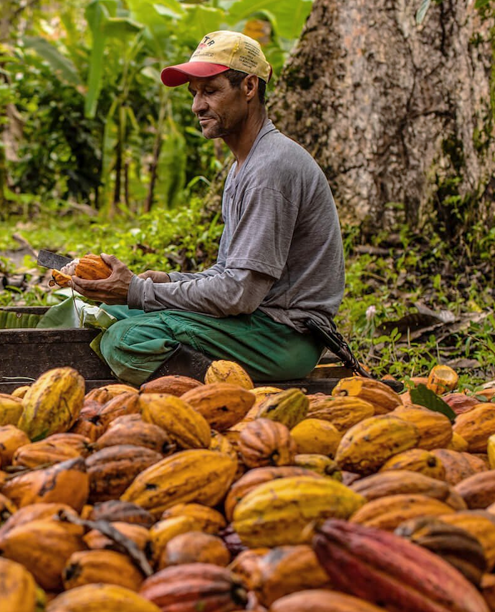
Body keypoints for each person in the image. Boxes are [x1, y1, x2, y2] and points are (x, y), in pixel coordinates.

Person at [69, 30, 344, 386]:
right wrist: (166, 281)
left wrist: (139, 291)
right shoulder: (245, 164)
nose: (197, 106)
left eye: (210, 91)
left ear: (248, 88)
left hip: (282, 339)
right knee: (114, 310)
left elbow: (238, 294)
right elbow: (229, 273)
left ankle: (224, 393)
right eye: (195, 94)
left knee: (127, 338)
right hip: (257, 323)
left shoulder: (270, 169)